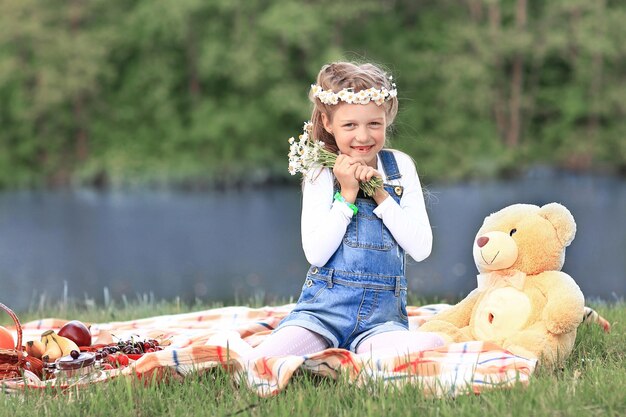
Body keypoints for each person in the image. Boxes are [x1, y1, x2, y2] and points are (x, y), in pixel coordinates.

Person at [245, 61, 443, 363]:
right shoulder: (320, 170)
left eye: (374, 124)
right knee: (263, 361)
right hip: (323, 313)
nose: (363, 136)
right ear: (327, 122)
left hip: (380, 321)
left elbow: (422, 248)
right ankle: (330, 349)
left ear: (387, 118)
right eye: (350, 125)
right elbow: (316, 254)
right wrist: (347, 195)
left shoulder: (399, 167)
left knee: (422, 347)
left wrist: (381, 194)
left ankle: (364, 353)